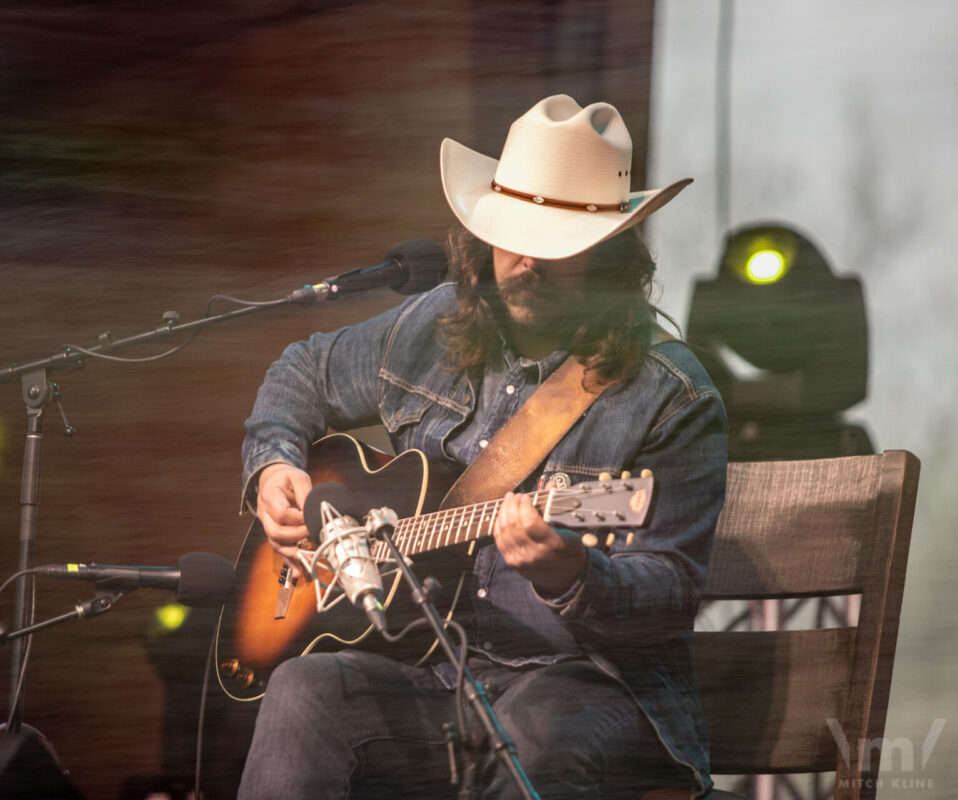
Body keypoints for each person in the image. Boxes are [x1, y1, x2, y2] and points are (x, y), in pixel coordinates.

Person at [236, 95, 727, 799]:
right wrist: (275, 463)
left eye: (555, 243)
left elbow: (670, 590)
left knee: (535, 736)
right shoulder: (429, 325)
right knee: (305, 687)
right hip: (425, 669)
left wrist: (573, 577)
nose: (527, 259)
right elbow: (301, 372)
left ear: (611, 255)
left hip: (583, 686)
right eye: (513, 231)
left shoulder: (673, 394)